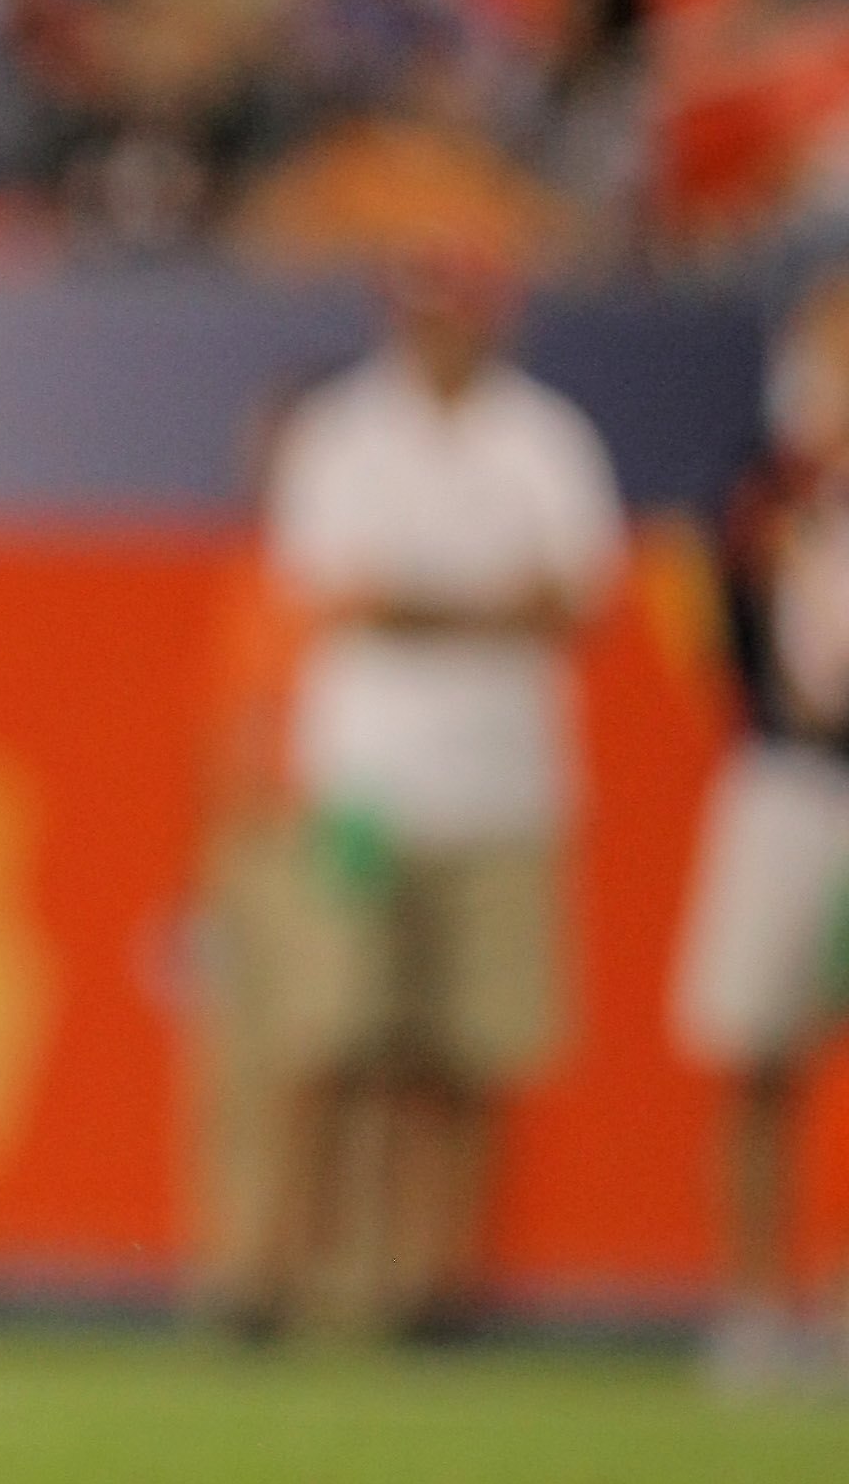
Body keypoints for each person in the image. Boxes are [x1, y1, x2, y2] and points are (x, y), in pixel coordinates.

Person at [252, 238, 622, 1339]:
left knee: (464, 1056)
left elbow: (577, 602)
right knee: (332, 1039)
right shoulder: (343, 435)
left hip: (503, 787)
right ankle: (287, 1274)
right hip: (362, 784)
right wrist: (489, 608)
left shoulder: (545, 438)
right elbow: (343, 597)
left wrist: (428, 607)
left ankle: (437, 1283)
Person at [675, 266, 849, 1390]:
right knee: (756, 1053)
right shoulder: (762, 493)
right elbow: (728, 643)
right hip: (788, 784)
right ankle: (751, 1303)